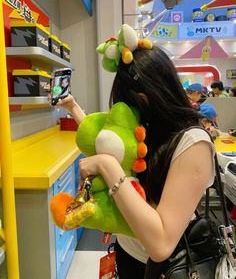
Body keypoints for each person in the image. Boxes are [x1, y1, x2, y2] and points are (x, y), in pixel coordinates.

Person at [57, 27, 215, 278]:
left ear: (144, 99)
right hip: (127, 253)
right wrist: (74, 108)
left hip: (160, 268)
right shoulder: (150, 127)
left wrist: (108, 168)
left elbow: (161, 245)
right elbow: (113, 141)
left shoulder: (193, 144)